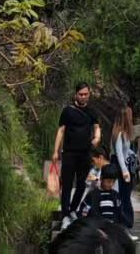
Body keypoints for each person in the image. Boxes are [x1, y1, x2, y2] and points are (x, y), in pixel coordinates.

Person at [53, 82, 101, 223]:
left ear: (89, 94)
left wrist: (97, 137)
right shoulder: (68, 111)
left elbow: (97, 127)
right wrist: (55, 151)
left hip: (85, 153)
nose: (83, 97)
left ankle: (73, 209)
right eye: (81, 94)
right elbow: (61, 130)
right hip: (69, 152)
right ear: (76, 94)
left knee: (81, 184)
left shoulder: (92, 111)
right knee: (67, 184)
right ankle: (65, 214)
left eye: (86, 94)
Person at [80, 165, 138, 251]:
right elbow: (86, 213)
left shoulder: (115, 195)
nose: (110, 184)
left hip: (112, 226)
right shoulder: (93, 195)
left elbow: (119, 213)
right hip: (97, 227)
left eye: (113, 182)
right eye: (108, 181)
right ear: (102, 179)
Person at [111, 104, 137, 229]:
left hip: (125, 166)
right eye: (129, 116)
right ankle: (125, 222)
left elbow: (126, 151)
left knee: (125, 195)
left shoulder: (125, 134)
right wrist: (125, 171)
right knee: (123, 196)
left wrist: (134, 155)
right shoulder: (119, 134)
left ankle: (125, 222)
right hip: (121, 168)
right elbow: (119, 153)